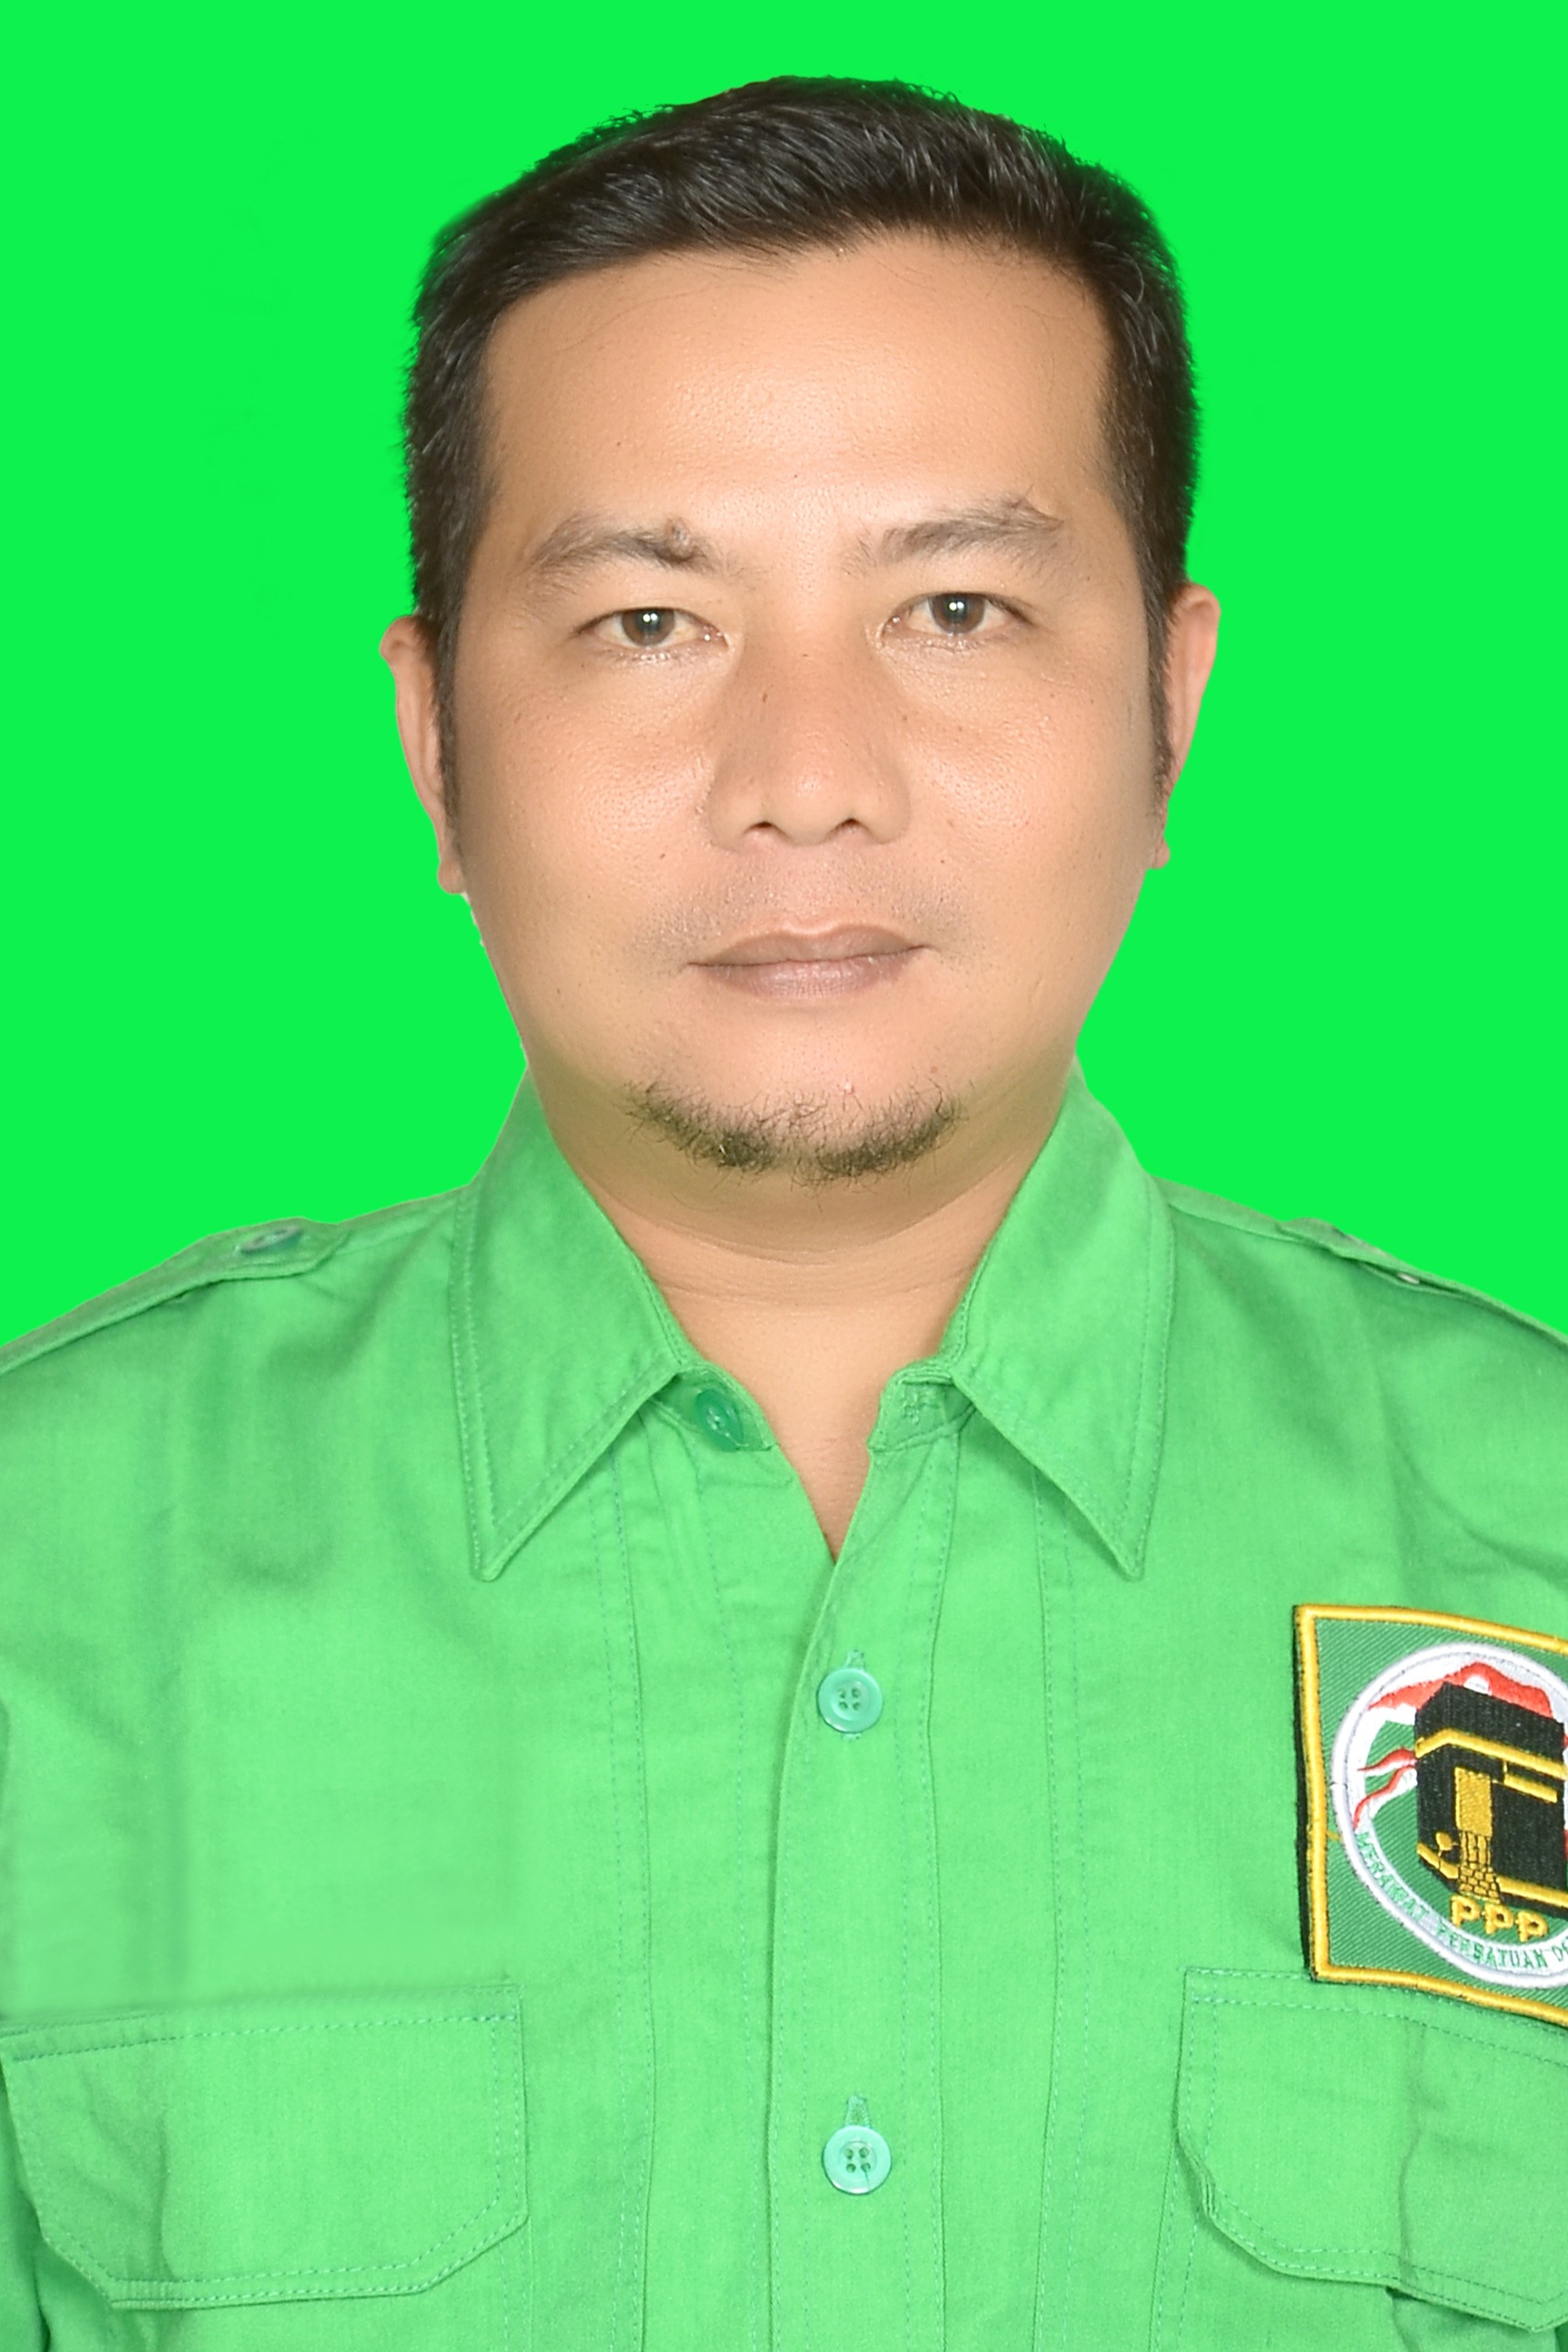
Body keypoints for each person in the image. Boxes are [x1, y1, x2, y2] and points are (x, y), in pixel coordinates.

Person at [1, 74, 1564, 2352]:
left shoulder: (1529, 1525)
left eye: (953, 604)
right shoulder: (49, 1570)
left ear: (1167, 707)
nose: (805, 780)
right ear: (436, 749)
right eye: (649, 621)